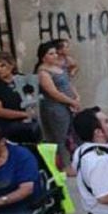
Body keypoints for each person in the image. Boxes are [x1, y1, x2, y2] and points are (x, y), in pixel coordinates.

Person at [35, 40, 81, 169]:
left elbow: (69, 83)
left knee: (74, 133)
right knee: (59, 137)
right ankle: (65, 166)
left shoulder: (58, 67)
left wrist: (76, 97)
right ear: (43, 57)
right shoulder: (43, 72)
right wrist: (71, 101)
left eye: (55, 53)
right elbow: (53, 92)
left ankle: (76, 160)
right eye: (51, 54)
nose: (55, 56)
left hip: (69, 105)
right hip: (56, 108)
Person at [0, 51, 40, 144]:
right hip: (7, 126)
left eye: (2, 66)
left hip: (29, 122)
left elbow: (33, 97)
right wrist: (24, 114)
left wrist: (32, 111)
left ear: (11, 65)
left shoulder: (22, 79)